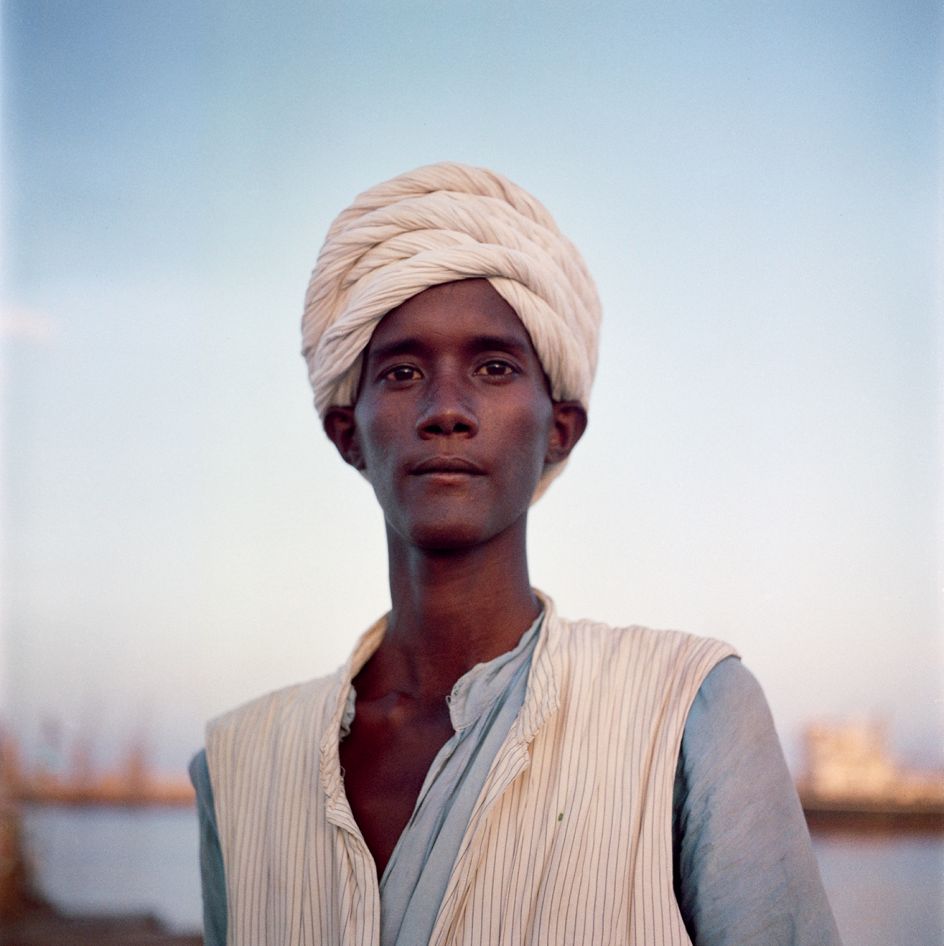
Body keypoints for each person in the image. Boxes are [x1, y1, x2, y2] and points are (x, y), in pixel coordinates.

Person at [190, 163, 842, 946]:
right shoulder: (240, 768)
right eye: (401, 373)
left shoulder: (691, 712)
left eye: (494, 368)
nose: (446, 410)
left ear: (559, 428)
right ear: (347, 433)